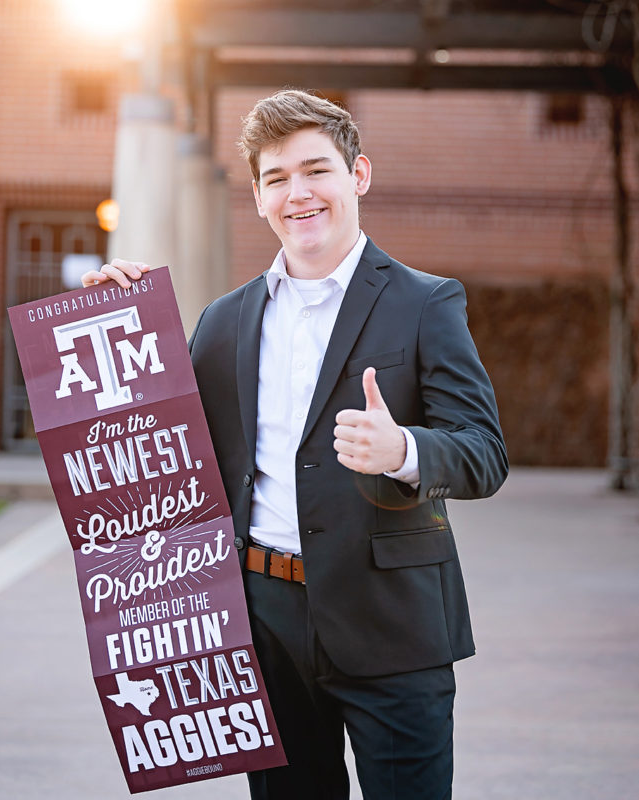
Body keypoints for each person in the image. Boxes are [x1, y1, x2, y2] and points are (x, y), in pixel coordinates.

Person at [82, 89, 508, 800]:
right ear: (256, 197)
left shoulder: (425, 303)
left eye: (316, 170)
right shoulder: (222, 322)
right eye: (277, 178)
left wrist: (402, 449)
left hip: (392, 623)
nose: (298, 193)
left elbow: (483, 453)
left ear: (357, 176)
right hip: (264, 624)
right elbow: (156, 450)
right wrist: (110, 321)